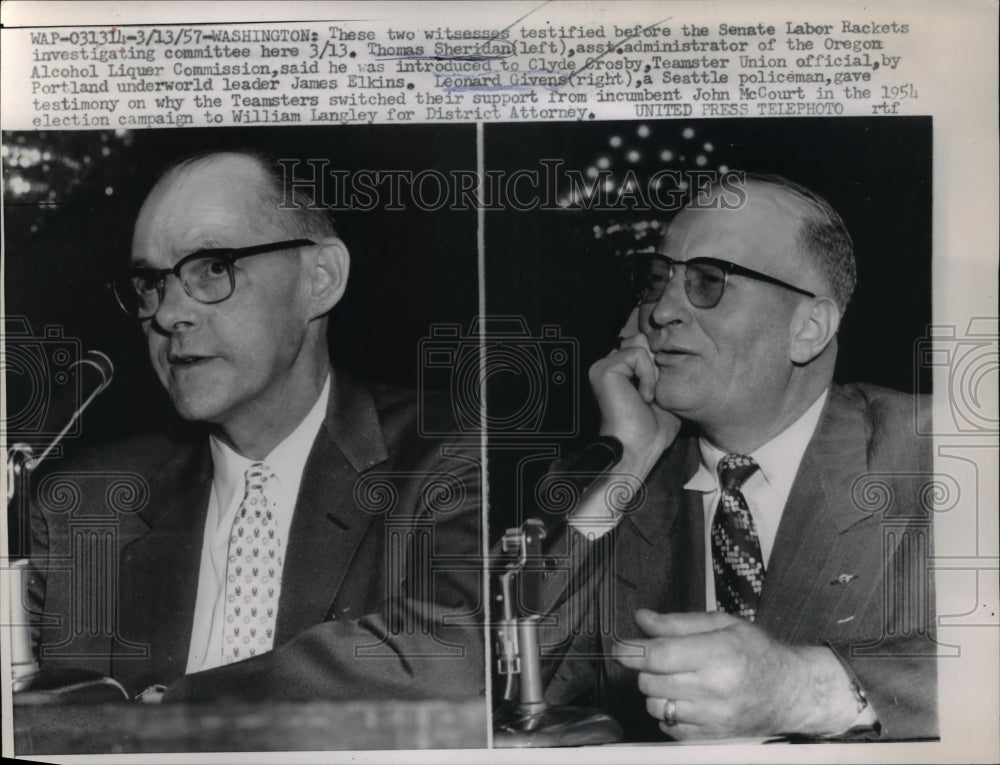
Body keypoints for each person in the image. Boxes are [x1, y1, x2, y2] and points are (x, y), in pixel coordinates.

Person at [27, 151, 483, 704]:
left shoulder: (450, 456)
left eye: (213, 267)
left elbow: (457, 654)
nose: (167, 314)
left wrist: (180, 713)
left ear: (321, 279)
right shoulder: (80, 504)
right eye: (150, 282)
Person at [536, 174, 936, 741]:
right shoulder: (614, 488)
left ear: (809, 329)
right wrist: (625, 464)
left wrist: (801, 690)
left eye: (708, 281)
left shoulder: (940, 450)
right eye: (657, 280)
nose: (661, 312)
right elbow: (499, 692)